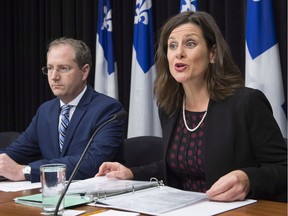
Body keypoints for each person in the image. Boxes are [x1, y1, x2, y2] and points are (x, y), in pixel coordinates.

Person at [96, 11, 287, 202]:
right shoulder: (170, 106)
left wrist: (248, 179)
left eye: (190, 44)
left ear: (212, 54)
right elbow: (180, 165)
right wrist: (131, 173)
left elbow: (283, 168)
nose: (179, 52)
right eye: (172, 45)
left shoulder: (246, 103)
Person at [0, 37, 126, 183]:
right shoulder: (46, 111)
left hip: (93, 197)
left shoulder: (108, 110)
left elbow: (92, 162)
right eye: (50, 68)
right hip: (52, 194)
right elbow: (15, 152)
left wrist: (25, 171)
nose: (54, 77)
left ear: (84, 72)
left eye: (63, 68)